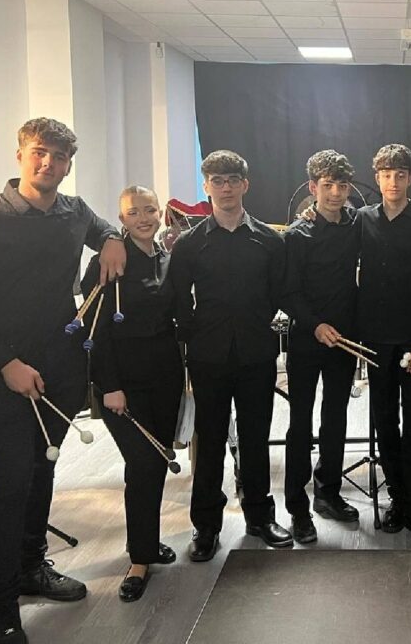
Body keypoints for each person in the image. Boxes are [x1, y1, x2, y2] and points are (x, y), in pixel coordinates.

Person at [0, 118, 126, 644]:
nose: (48, 163)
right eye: (39, 152)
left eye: (59, 157)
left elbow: (102, 227)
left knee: (44, 469)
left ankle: (31, 566)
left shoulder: (75, 210)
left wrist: (111, 239)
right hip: (4, 370)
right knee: (12, 479)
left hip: (60, 366)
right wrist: (5, 362)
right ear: (20, 154)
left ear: (68, 165)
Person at [170, 150, 291, 561]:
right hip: (209, 357)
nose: (225, 188)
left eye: (233, 180)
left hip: (257, 353)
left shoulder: (269, 240)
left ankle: (259, 516)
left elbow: (280, 293)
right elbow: (178, 301)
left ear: (245, 185)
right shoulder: (189, 243)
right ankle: (206, 526)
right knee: (210, 442)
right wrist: (196, 335)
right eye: (217, 181)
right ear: (206, 186)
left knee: (256, 439)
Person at [80, 186, 184, 602]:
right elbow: (94, 331)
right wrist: (109, 387)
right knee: (142, 462)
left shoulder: (166, 257)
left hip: (166, 377)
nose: (143, 218)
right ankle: (139, 559)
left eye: (149, 209)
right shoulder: (109, 261)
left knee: (155, 462)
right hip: (122, 384)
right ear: (121, 219)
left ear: (160, 213)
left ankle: (147, 541)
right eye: (133, 212)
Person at [356, 144, 411, 549]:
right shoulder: (361, 220)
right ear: (377, 178)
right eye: (386, 174)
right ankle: (396, 497)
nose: (393, 181)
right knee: (385, 420)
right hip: (375, 341)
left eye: (400, 174)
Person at [282, 150, 362, 544]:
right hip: (306, 338)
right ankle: (297, 506)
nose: (335, 193)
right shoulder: (296, 235)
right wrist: (315, 325)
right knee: (300, 422)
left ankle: (328, 492)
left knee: (336, 418)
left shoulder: (356, 225)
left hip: (344, 340)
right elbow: (288, 291)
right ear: (313, 187)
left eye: (342, 185)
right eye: (327, 185)